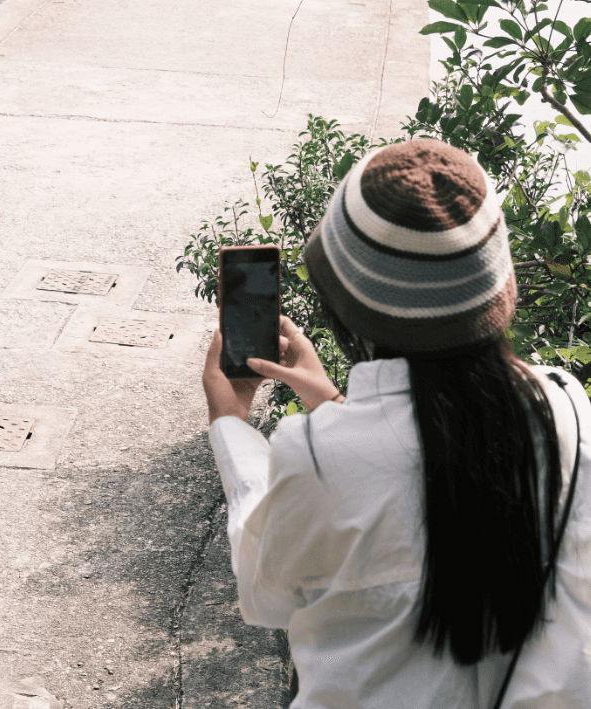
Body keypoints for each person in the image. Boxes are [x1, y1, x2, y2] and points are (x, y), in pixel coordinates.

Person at [201, 139, 591, 708]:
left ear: (346, 312)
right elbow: (424, 457)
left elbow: (265, 595)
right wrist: (330, 403)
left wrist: (231, 421)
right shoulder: (567, 408)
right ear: (497, 289)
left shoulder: (316, 458)